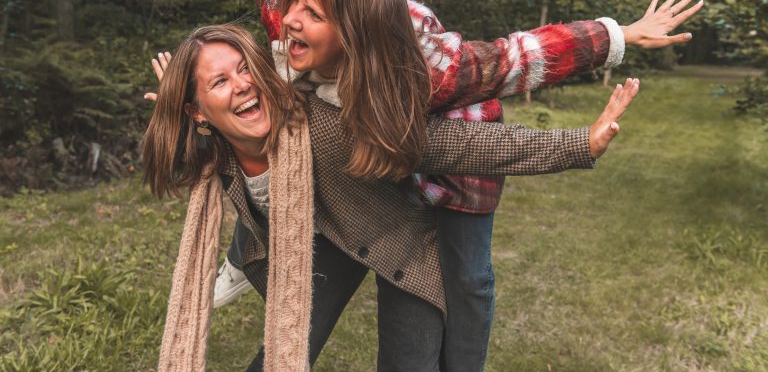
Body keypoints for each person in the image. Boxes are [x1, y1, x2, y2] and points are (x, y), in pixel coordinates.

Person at [168, 0, 704, 370]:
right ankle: (243, 255)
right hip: (369, 147)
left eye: (313, 14)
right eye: (295, 8)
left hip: (453, 167)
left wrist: (618, 35)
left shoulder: (433, 72)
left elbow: (519, 56)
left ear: (353, 34)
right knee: (287, 150)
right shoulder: (288, 15)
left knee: (467, 279)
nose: (291, 21)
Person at [144, 24, 640, 372]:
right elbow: (173, 150)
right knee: (283, 352)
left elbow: (456, 145)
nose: (242, 85)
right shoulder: (213, 154)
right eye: (220, 82)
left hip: (400, 239)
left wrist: (579, 144)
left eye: (244, 69)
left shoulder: (326, 127)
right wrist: (177, 104)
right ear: (197, 113)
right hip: (322, 243)